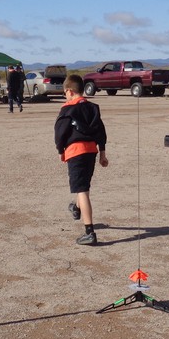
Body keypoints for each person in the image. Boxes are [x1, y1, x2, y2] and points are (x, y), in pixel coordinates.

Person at [54, 74, 109, 245]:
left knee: (82, 190)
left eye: (65, 93)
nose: (65, 96)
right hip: (91, 151)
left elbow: (60, 133)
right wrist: (102, 153)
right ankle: (76, 208)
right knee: (83, 185)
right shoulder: (92, 108)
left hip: (76, 152)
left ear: (70, 91)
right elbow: (101, 131)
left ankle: (89, 232)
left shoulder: (68, 109)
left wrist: (60, 150)